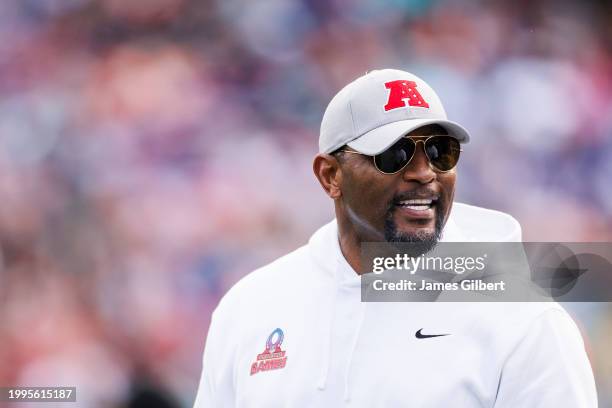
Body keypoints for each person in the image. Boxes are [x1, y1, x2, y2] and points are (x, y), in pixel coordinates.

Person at [193, 69, 597, 407]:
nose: (424, 172)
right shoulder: (250, 307)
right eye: (394, 154)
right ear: (330, 176)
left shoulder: (525, 320)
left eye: (441, 151)